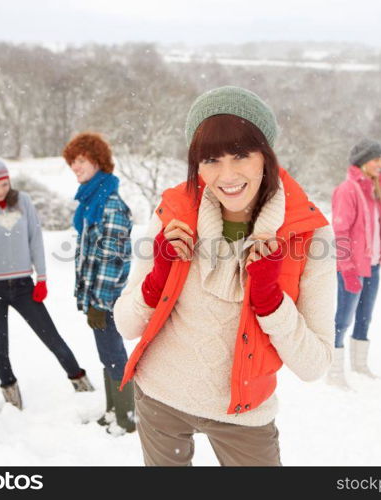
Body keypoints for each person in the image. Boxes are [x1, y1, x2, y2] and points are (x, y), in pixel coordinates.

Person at [113, 86, 335, 466]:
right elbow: (126, 324)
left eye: (241, 155)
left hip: (243, 414)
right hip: (160, 396)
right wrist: (158, 278)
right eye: (210, 159)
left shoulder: (307, 234)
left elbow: (314, 365)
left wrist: (270, 301)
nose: (226, 175)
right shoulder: (174, 215)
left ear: (266, 155)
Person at [0, 159, 94, 410]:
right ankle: (10, 391)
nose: (0, 190)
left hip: (24, 286)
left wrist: (42, 278)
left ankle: (80, 381)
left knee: (51, 336)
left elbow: (35, 239)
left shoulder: (23, 201)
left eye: (4, 184)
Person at [63, 132, 134, 434]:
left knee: (114, 354)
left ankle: (127, 417)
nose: (75, 167)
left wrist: (100, 302)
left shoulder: (110, 204)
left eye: (81, 161)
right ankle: (113, 410)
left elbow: (112, 258)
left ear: (97, 161)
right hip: (96, 297)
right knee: (107, 354)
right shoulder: (92, 199)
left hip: (107, 298)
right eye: (72, 163)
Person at [329, 139, 381, 388]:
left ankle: (359, 365)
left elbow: (377, 231)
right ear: (363, 162)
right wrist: (347, 269)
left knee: (365, 317)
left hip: (373, 265)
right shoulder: (348, 190)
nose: (380, 164)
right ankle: (333, 372)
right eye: (376, 159)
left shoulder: (375, 191)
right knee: (343, 319)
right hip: (352, 268)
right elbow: (340, 232)